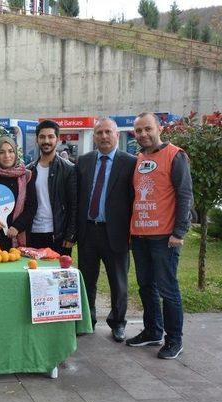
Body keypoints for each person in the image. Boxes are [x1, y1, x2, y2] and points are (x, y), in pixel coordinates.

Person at [125, 112, 193, 360]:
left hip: (165, 237)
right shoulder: (139, 159)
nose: (143, 134)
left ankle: (174, 340)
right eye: (138, 131)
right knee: (146, 287)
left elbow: (185, 195)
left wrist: (179, 232)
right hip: (140, 236)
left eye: (147, 129)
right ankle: (153, 330)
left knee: (168, 290)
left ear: (159, 128)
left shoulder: (176, 155)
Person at [76, 118, 137, 342]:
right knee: (87, 280)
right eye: (99, 132)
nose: (103, 136)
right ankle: (87, 320)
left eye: (108, 132)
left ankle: (118, 323)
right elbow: (78, 198)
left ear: (117, 135)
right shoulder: (83, 161)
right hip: (88, 232)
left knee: (118, 282)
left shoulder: (130, 163)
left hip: (117, 233)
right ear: (94, 136)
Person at [27, 120, 77, 256]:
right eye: (42, 137)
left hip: (57, 235)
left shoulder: (68, 169)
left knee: (57, 276)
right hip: (32, 233)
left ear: (58, 139)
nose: (46, 141)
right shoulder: (29, 170)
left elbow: (74, 205)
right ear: (37, 140)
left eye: (50, 137)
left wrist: (70, 235)